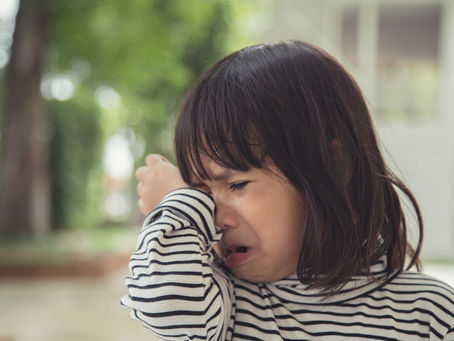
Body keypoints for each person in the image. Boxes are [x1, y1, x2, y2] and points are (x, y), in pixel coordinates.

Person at [121, 40, 454, 340]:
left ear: (334, 166)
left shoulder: (428, 314)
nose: (215, 218)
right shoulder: (222, 304)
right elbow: (165, 305)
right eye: (201, 195)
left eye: (236, 184)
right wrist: (175, 204)